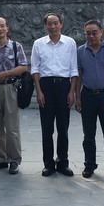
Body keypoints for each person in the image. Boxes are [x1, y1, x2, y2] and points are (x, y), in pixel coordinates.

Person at [31, 12, 78, 177]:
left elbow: (74, 70)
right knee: (47, 129)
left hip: (64, 86)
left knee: (63, 128)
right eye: (49, 24)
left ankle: (63, 162)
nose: (52, 26)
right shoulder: (39, 44)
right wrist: (39, 91)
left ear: (61, 24)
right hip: (46, 86)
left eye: (55, 23)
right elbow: (35, 69)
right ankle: (48, 163)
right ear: (45, 26)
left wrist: (72, 92)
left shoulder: (70, 43)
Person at [75, 19, 104, 179]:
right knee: (88, 134)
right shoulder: (80, 51)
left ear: (101, 32)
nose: (91, 36)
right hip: (88, 95)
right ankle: (89, 165)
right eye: (88, 33)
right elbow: (79, 76)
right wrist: (77, 97)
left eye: (94, 33)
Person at [0, 17, 28, 175]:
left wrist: (6, 74)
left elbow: (23, 67)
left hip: (11, 88)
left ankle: (14, 159)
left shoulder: (16, 46)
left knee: (12, 127)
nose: (0, 29)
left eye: (2, 26)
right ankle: (0, 159)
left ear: (7, 28)